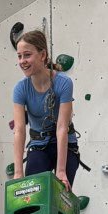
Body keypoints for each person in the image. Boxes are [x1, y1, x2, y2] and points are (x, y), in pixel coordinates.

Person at [12, 29, 82, 190]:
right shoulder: (20, 88)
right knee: (33, 192)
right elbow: (19, 131)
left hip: (64, 143)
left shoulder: (63, 83)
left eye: (27, 55)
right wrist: (18, 173)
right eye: (19, 56)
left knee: (60, 191)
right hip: (39, 145)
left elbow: (62, 127)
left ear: (42, 55)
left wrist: (61, 171)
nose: (22, 61)